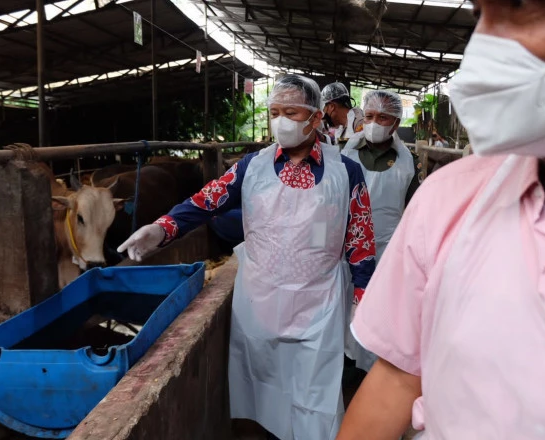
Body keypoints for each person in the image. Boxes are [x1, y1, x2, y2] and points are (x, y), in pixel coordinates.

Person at [338, 0, 545, 438]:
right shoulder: (448, 200)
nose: (483, 47)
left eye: (524, 6)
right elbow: (398, 379)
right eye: (481, 14)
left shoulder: (412, 166)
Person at [118, 74, 376, 440]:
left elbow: (360, 239)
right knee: (263, 390)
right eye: (274, 112)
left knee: (316, 396)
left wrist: (363, 296)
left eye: (292, 112)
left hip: (318, 303)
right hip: (261, 301)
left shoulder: (345, 173)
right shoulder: (250, 167)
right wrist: (162, 228)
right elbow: (204, 202)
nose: (281, 121)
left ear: (316, 118)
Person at [341, 90, 420, 374]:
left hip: (388, 249)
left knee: (378, 309)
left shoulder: (407, 162)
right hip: (348, 246)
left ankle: (371, 369)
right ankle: (346, 365)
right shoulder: (346, 153)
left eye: (382, 117)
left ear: (395, 123)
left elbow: (414, 210)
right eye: (369, 116)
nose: (374, 123)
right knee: (346, 304)